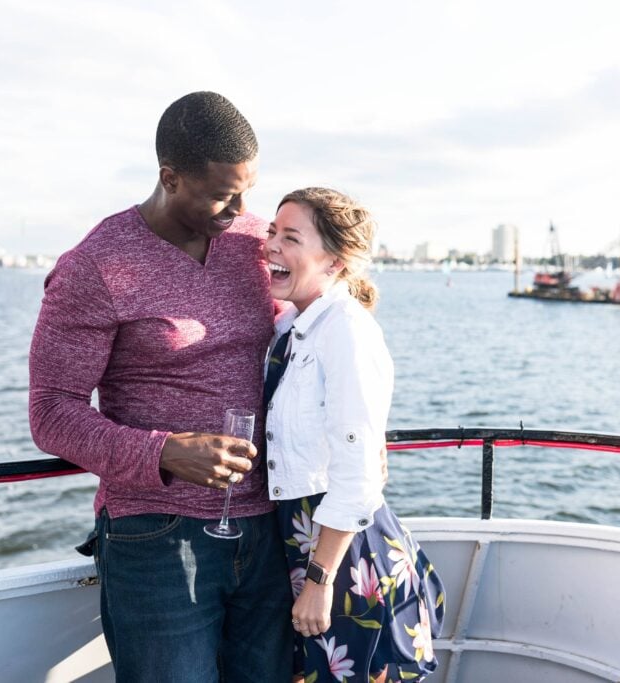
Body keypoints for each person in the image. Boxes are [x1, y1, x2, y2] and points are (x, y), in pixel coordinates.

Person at [28, 92, 293, 682]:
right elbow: (52, 411)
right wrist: (166, 452)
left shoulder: (256, 243)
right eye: (224, 193)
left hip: (271, 524)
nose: (242, 209)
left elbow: (325, 324)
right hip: (157, 533)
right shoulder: (94, 266)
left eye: (247, 189)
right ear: (170, 178)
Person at [262, 188, 446, 682]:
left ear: (335, 262)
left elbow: (359, 467)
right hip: (299, 539)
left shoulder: (346, 330)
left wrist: (320, 580)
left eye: (291, 237)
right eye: (272, 232)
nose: (272, 246)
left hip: (343, 552)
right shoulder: (292, 327)